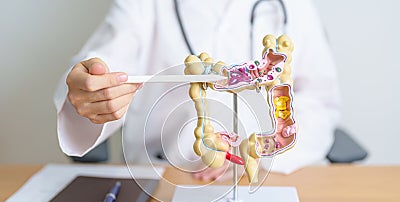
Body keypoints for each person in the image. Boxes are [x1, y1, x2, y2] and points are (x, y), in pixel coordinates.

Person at [54, 0, 340, 181]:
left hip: (273, 177)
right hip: (168, 178)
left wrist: (259, 155)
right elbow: (102, 66)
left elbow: (320, 102)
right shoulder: (144, 6)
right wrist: (92, 92)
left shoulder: (295, 7)